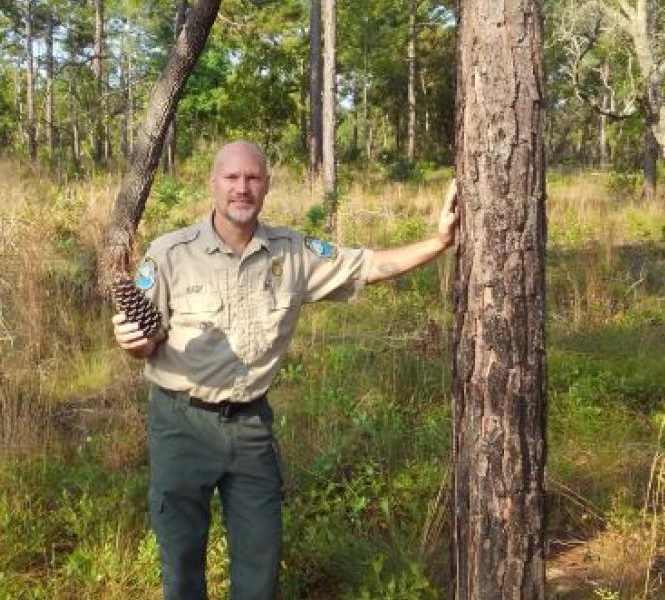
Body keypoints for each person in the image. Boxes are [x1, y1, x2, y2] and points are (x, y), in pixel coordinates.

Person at [111, 140, 457, 599]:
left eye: (252, 178)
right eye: (231, 178)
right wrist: (133, 343)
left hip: (250, 427)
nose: (242, 188)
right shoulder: (170, 253)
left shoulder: (293, 253)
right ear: (212, 184)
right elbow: (148, 338)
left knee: (260, 567)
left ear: (267, 186)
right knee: (180, 566)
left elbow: (369, 266)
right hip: (180, 425)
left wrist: (440, 241)